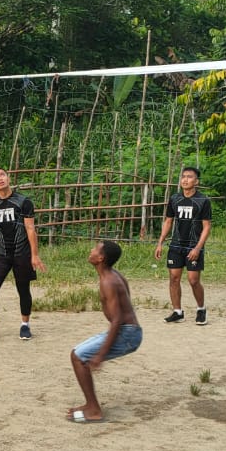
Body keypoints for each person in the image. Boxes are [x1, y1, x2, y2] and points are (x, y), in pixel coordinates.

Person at [68, 241, 142, 423]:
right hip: (129, 331)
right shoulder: (114, 275)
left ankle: (93, 410)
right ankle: (90, 405)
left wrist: (100, 355)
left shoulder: (108, 281)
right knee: (79, 355)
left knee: (78, 356)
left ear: (101, 258)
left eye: (95, 249)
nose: (91, 250)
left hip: (127, 334)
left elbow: (117, 319)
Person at [0, 168, 46, 340]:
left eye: (2, 175)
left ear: (8, 178)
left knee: (23, 289)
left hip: (22, 253)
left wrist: (34, 255)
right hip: (1, 253)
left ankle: (25, 325)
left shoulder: (23, 202)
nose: (0, 178)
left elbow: (30, 228)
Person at [155, 166, 212, 324]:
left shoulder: (203, 200)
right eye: (183, 176)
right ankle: (177, 311)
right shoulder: (174, 199)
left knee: (193, 280)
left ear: (196, 181)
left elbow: (207, 227)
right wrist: (160, 242)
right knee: (174, 278)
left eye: (190, 177)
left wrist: (198, 248)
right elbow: (168, 221)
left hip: (194, 245)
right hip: (175, 245)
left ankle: (201, 309)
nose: (185, 179)